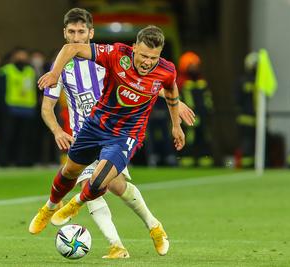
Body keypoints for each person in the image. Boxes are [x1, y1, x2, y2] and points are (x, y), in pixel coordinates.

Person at [29, 8, 194, 258]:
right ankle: (53, 207)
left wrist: (175, 105)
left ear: (90, 33)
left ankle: (131, 236)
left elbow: (148, 83)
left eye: (81, 31)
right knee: (79, 175)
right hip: (87, 129)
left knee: (110, 184)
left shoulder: (106, 58)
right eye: (71, 32)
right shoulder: (63, 66)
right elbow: (47, 107)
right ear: (65, 33)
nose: (76, 36)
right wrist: (57, 130)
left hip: (121, 134)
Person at [0, 47, 37, 166]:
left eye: (23, 55)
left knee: (25, 138)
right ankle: (4, 160)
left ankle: (23, 161)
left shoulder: (31, 71)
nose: (21, 58)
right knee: (8, 136)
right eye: (19, 55)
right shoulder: (6, 70)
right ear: (13, 57)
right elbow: (0, 90)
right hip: (11, 107)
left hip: (28, 108)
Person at [177, 51, 214, 167]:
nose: (194, 68)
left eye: (195, 65)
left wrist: (209, 112)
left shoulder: (202, 82)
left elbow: (208, 99)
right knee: (189, 139)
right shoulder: (181, 83)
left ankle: (205, 161)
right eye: (191, 66)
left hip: (203, 117)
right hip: (188, 117)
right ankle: (186, 161)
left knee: (205, 137)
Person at [235, 52, 258, 168]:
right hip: (247, 119)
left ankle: (254, 164)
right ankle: (246, 165)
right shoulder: (243, 81)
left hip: (256, 119)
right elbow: (237, 99)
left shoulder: (258, 82)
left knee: (254, 144)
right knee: (247, 144)